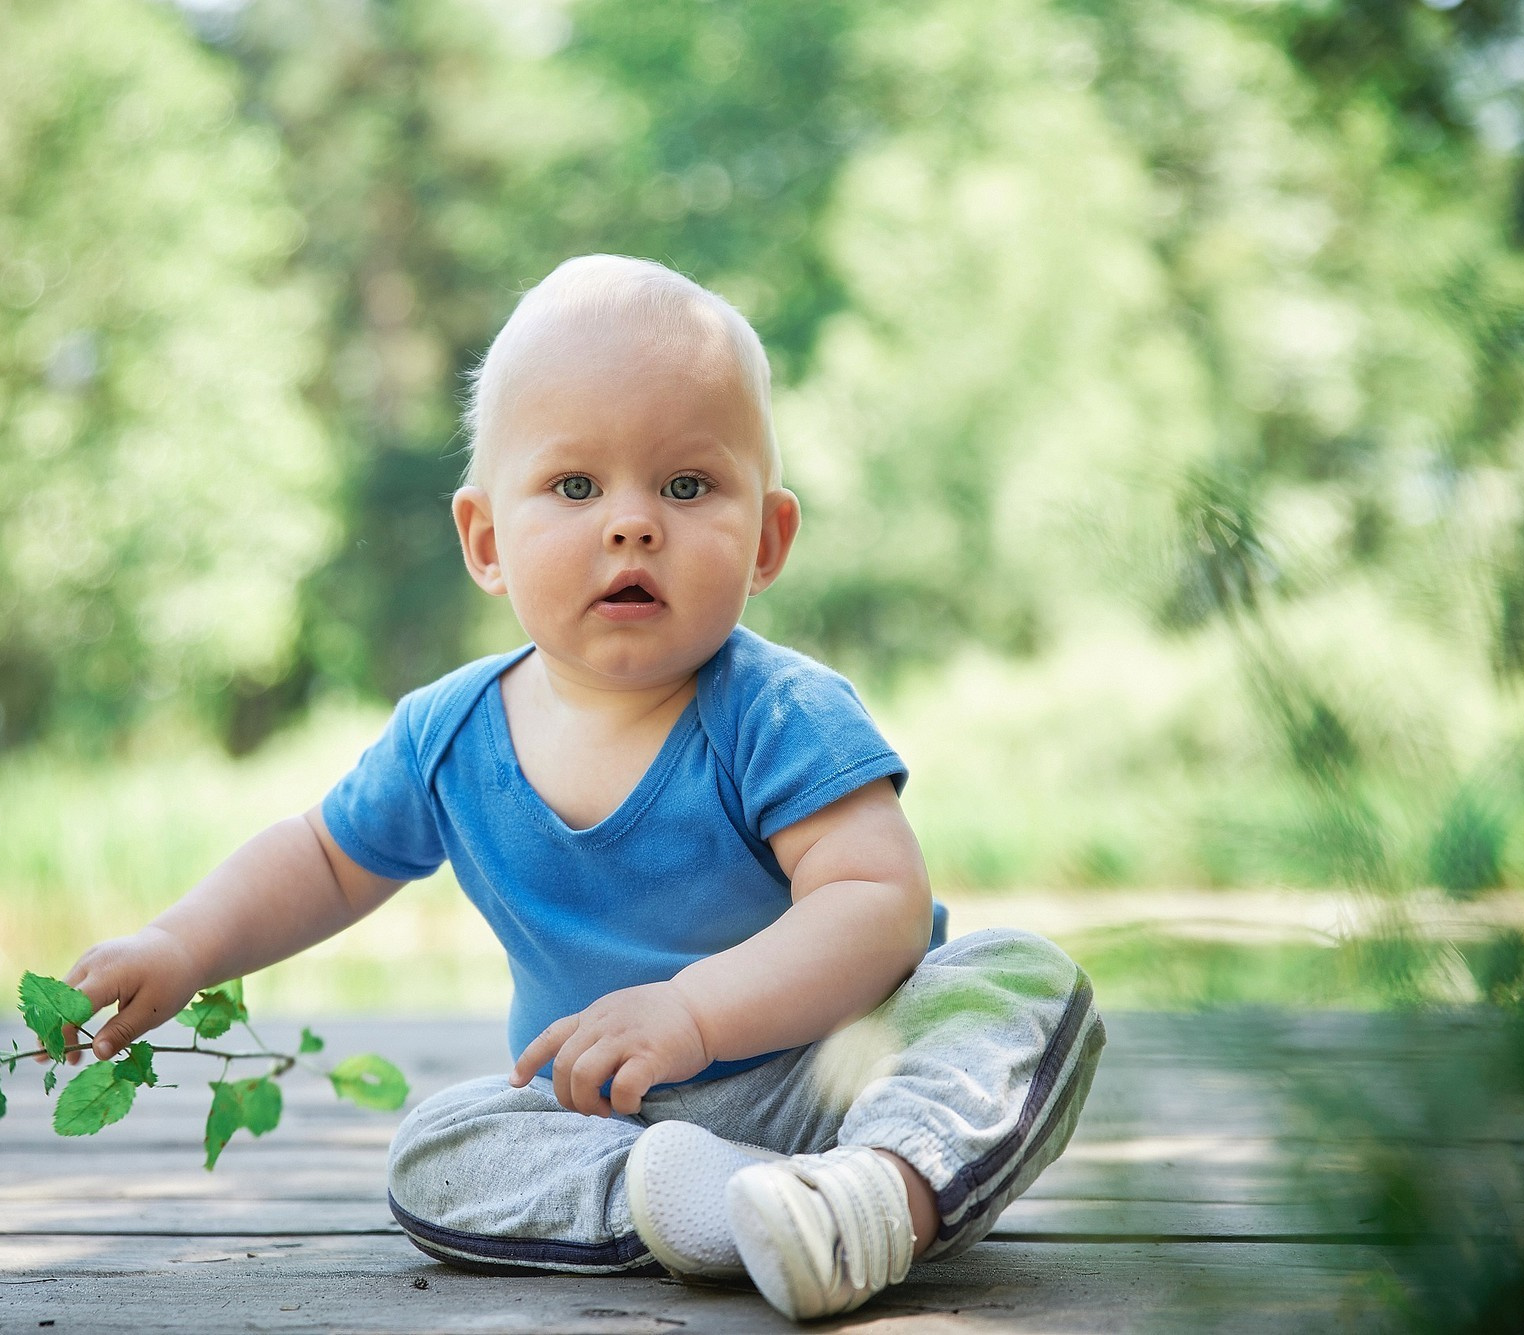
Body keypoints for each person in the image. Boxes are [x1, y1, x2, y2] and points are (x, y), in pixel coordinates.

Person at [58, 254, 1105, 1320]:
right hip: (608, 1117)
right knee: (439, 1148)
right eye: (574, 487)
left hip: (835, 1075)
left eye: (686, 486)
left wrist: (693, 1013)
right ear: (486, 541)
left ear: (766, 540)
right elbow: (324, 858)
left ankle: (874, 1196)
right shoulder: (447, 735)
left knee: (1018, 984)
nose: (631, 523)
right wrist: (181, 945)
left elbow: (875, 905)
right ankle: (696, 1207)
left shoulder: (779, 711)